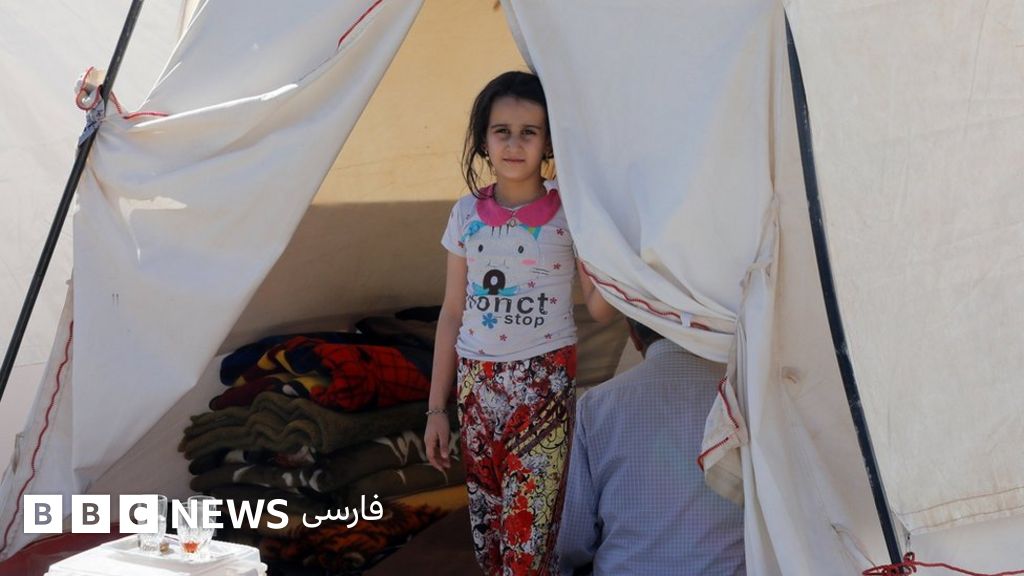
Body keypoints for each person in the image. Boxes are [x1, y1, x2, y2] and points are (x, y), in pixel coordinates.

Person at [423, 70, 617, 575]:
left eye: (529, 132)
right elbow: (451, 312)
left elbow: (599, 308)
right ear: (483, 140)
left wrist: (624, 260)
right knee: (490, 545)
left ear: (549, 141)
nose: (514, 144)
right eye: (502, 131)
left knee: (528, 543)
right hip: (476, 393)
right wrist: (436, 409)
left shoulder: (572, 213)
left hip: (543, 391)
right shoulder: (465, 214)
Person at [557, 319, 745, 576]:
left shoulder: (595, 406)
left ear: (633, 336)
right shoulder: (742, 400)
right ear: (704, 325)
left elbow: (571, 541)